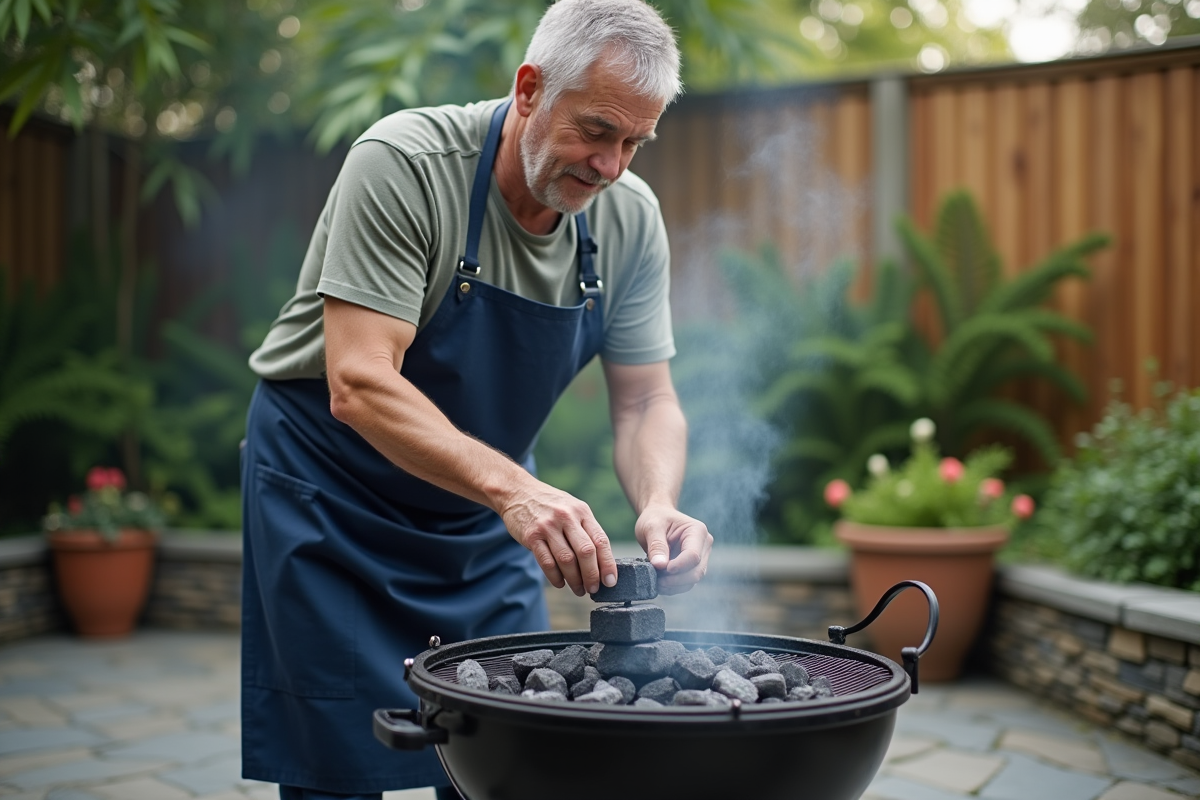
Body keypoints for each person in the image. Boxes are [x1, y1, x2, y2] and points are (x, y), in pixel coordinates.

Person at [239, 1, 713, 797]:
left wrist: (660, 503)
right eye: (596, 131)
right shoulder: (406, 162)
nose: (612, 166)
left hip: (482, 520)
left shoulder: (630, 221)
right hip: (331, 498)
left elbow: (644, 402)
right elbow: (359, 382)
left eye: (634, 142)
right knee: (335, 768)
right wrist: (519, 492)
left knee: (504, 762)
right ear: (529, 88)